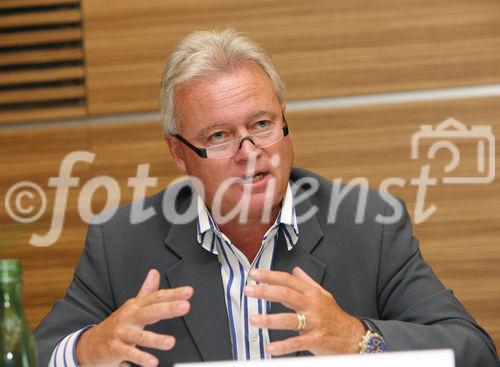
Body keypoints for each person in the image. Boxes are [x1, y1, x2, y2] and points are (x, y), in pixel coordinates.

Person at [35, 28, 499, 367]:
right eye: (219, 136)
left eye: (261, 125)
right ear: (179, 153)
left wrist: (359, 339)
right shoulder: (122, 242)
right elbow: (30, 356)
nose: (251, 154)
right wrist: (84, 350)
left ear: (284, 119)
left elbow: (474, 351)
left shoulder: (369, 225)